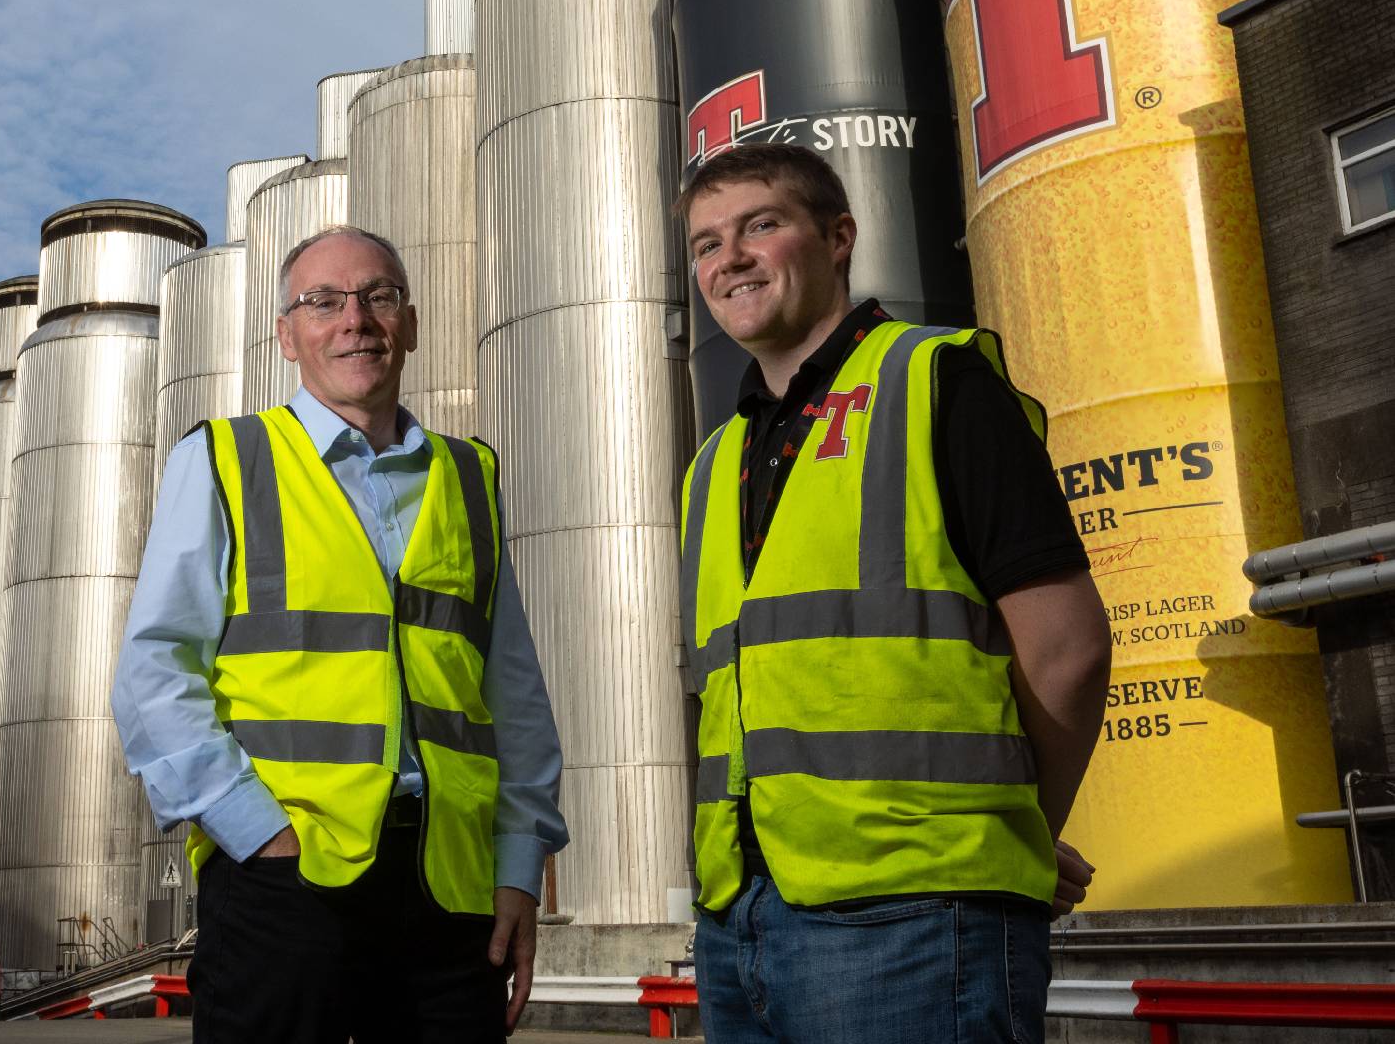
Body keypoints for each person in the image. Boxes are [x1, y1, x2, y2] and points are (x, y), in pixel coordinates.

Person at [674, 143, 1109, 1042]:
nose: (732, 259)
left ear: (839, 237)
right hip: (738, 918)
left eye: (762, 225)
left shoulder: (939, 380)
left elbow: (1067, 647)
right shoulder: (713, 466)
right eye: (707, 243)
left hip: (915, 917)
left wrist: (1018, 828)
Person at [112, 225, 569, 1044]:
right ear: (287, 336)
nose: (355, 318)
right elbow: (156, 671)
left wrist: (520, 867)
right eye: (323, 301)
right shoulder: (228, 458)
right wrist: (256, 831)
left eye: (378, 296)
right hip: (285, 882)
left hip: (449, 889)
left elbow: (514, 693)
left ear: (412, 323)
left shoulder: (470, 477)